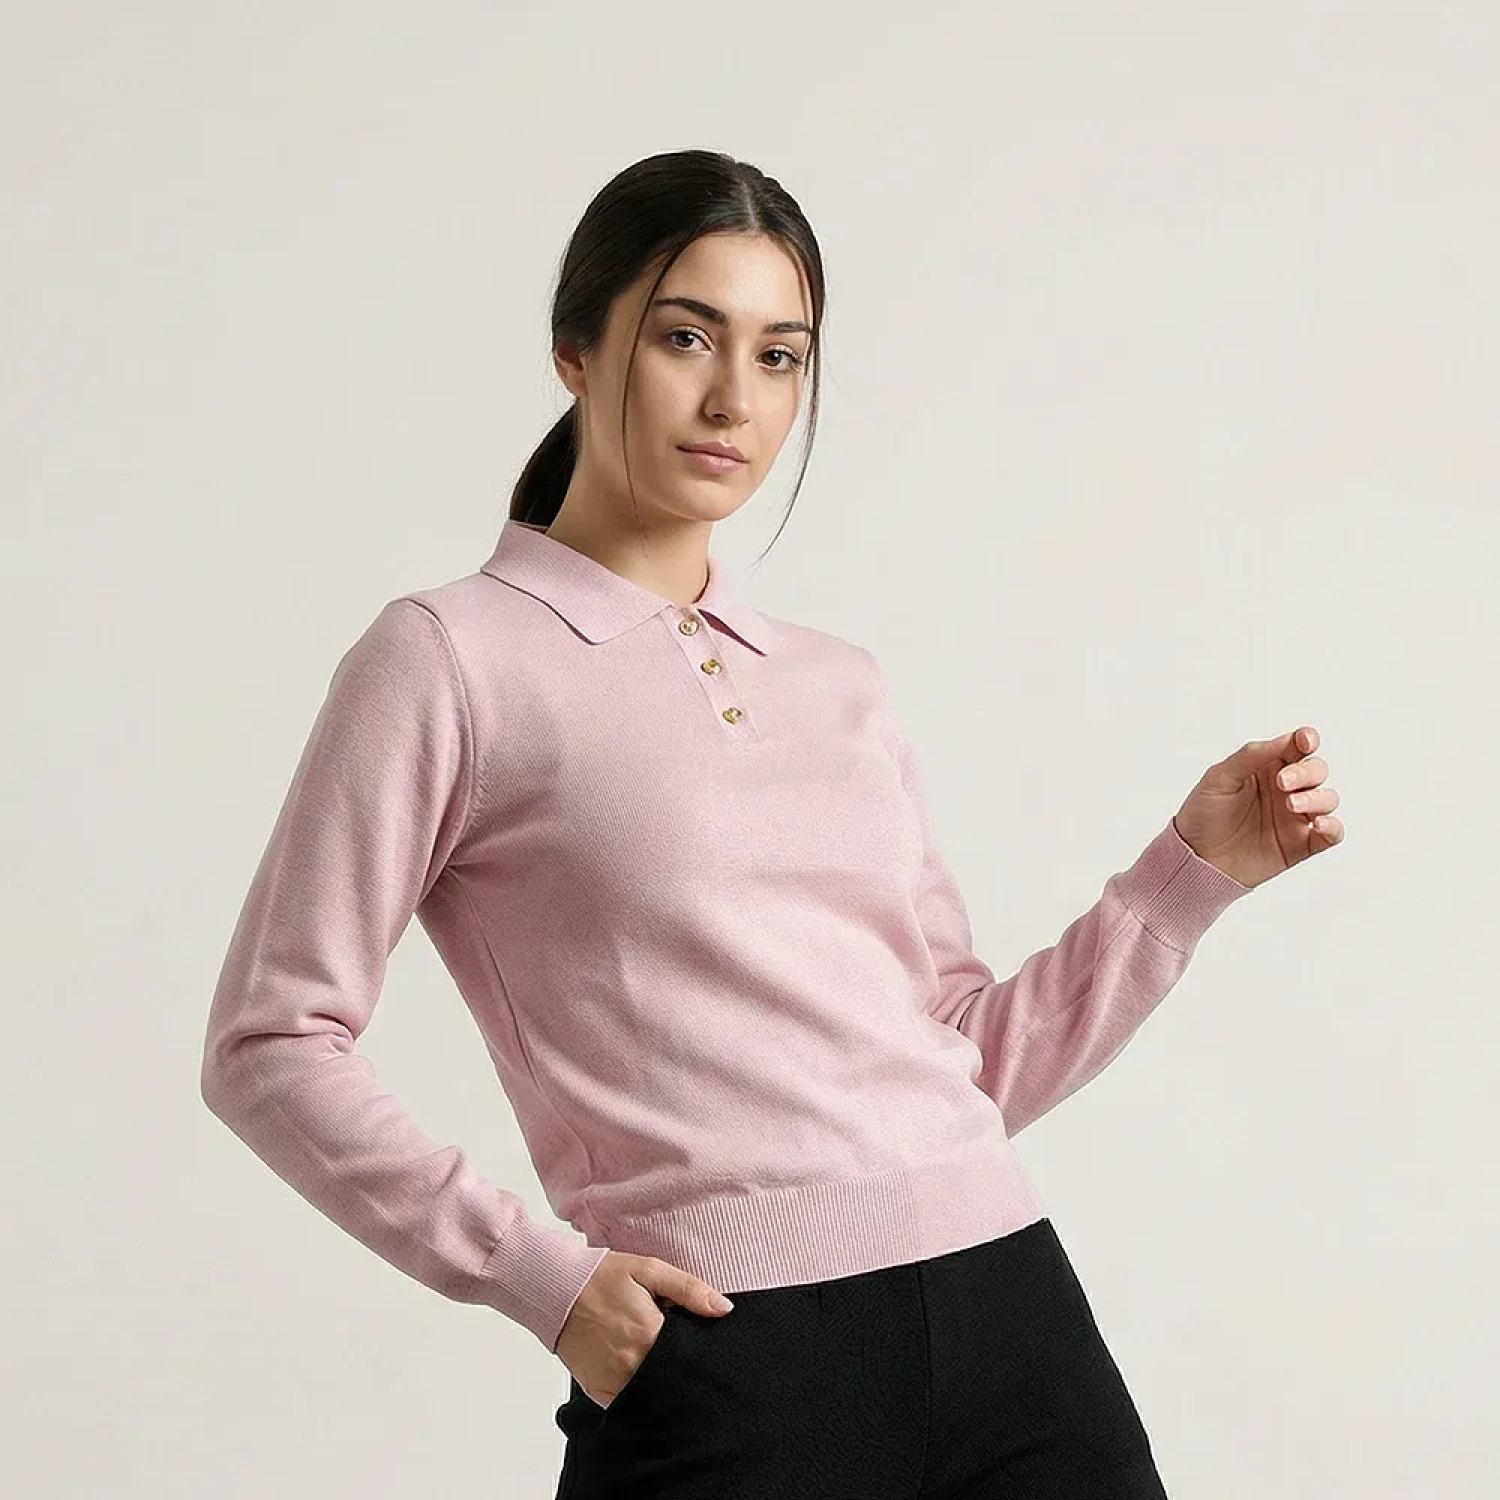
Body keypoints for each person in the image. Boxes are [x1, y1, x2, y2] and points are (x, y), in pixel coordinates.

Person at [200, 148, 1343, 1498]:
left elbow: (962, 1064)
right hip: (729, 1357)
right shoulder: (448, 660)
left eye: (781, 356)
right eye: (686, 337)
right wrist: (539, 1279)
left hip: (1014, 1318)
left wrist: (1189, 876)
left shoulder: (836, 682)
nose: (735, 399)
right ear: (576, 349)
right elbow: (270, 1042)